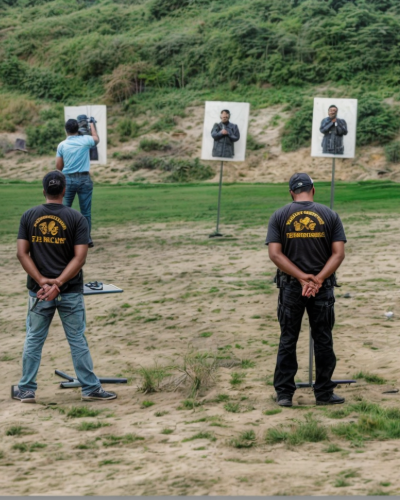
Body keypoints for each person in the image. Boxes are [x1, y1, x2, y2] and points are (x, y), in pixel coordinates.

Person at [14, 171, 117, 403]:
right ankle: (90, 389)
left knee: (34, 339)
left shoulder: (29, 215)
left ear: (43, 191)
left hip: (39, 293)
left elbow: (22, 253)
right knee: (77, 339)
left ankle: (27, 390)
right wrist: (58, 284)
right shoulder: (77, 218)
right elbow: (79, 258)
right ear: (63, 191)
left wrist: (42, 281)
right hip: (68, 291)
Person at [266, 173, 346, 407]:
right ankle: (323, 393)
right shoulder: (330, 214)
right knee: (323, 339)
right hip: (322, 288)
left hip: (291, 286)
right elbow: (338, 254)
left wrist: (301, 278)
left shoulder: (279, 215)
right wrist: (318, 279)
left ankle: (284, 394)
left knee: (288, 339)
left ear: (291, 192)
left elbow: (275, 254)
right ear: (313, 189)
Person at [56, 118, 99, 248]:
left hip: (68, 179)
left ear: (66, 130)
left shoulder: (62, 145)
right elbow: (96, 139)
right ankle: (86, 238)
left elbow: (58, 166)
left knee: (64, 210)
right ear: (78, 129)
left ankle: (65, 237)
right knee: (85, 212)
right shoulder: (85, 140)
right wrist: (92, 124)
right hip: (84, 179)